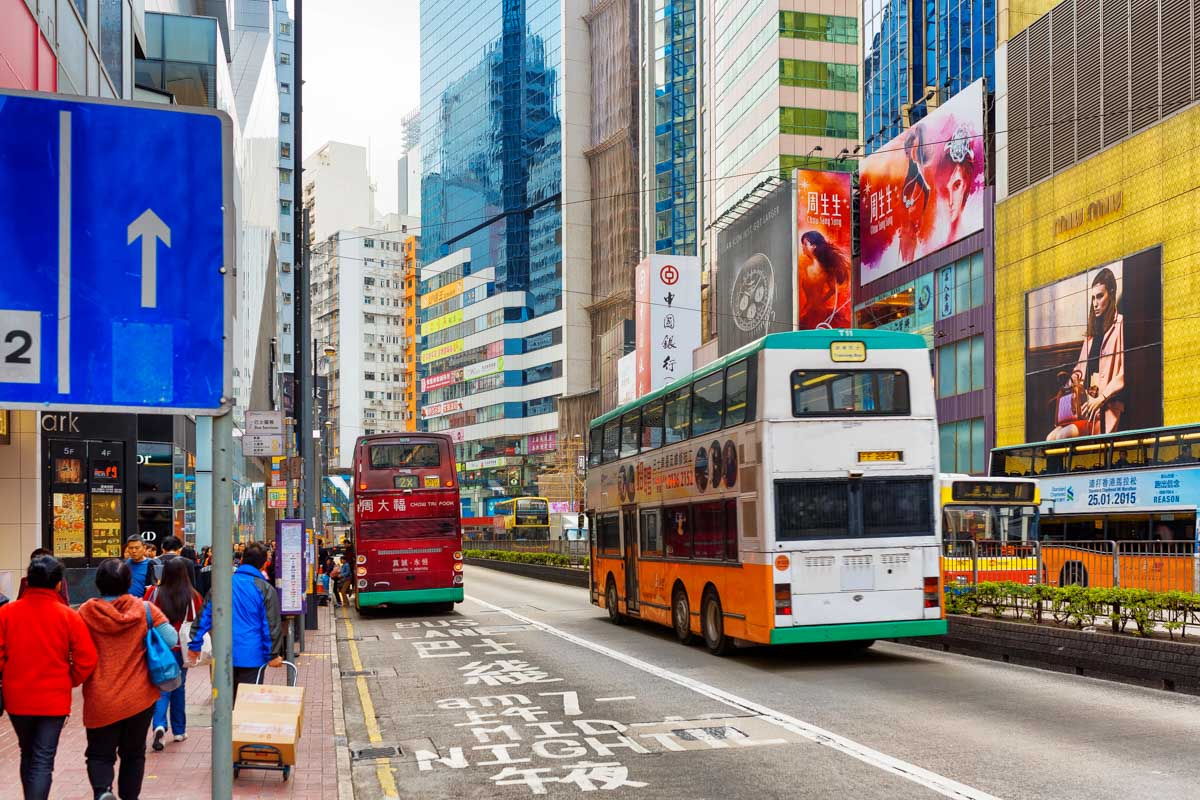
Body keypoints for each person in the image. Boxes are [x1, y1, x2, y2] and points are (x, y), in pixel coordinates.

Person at [0, 554, 98, 800]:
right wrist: (70, 679)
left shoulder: (7, 613)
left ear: (28, 580)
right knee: (43, 757)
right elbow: (87, 659)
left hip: (17, 696)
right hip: (54, 698)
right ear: (57, 584)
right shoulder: (68, 616)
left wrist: (8, 673)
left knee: (27, 752)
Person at [79, 559, 177, 800]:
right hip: (139, 697)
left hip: (100, 697)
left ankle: (103, 791)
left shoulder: (85, 612)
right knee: (133, 753)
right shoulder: (145, 609)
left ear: (98, 583)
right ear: (129, 582)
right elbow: (171, 638)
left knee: (99, 754)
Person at [186, 542, 283, 702]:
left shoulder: (221, 585)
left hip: (222, 654)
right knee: (247, 706)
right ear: (264, 564)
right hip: (252, 656)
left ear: (242, 559)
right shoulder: (265, 589)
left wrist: (195, 644)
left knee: (224, 705)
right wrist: (272, 654)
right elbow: (270, 625)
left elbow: (204, 616)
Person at [1048, 268, 1126, 440]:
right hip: (1086, 407)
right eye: (1093, 298)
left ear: (1111, 294)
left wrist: (1101, 399)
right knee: (1050, 438)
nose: (1095, 303)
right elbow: (1080, 368)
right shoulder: (1092, 333)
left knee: (1063, 436)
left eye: (1100, 296)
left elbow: (1123, 372)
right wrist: (1069, 385)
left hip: (1106, 408)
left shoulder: (1120, 325)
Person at [144, 558, 204, 751]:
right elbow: (200, 620)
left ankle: (159, 725)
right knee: (179, 687)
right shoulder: (193, 596)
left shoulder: (154, 593)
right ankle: (179, 730)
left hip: (158, 648)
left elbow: (145, 614)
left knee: (161, 687)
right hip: (182, 649)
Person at [797, 230, 852, 330]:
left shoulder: (823, 269)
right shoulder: (807, 267)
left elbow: (833, 289)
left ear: (814, 246)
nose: (803, 247)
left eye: (805, 244)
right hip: (809, 312)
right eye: (802, 244)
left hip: (817, 314)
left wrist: (820, 301)